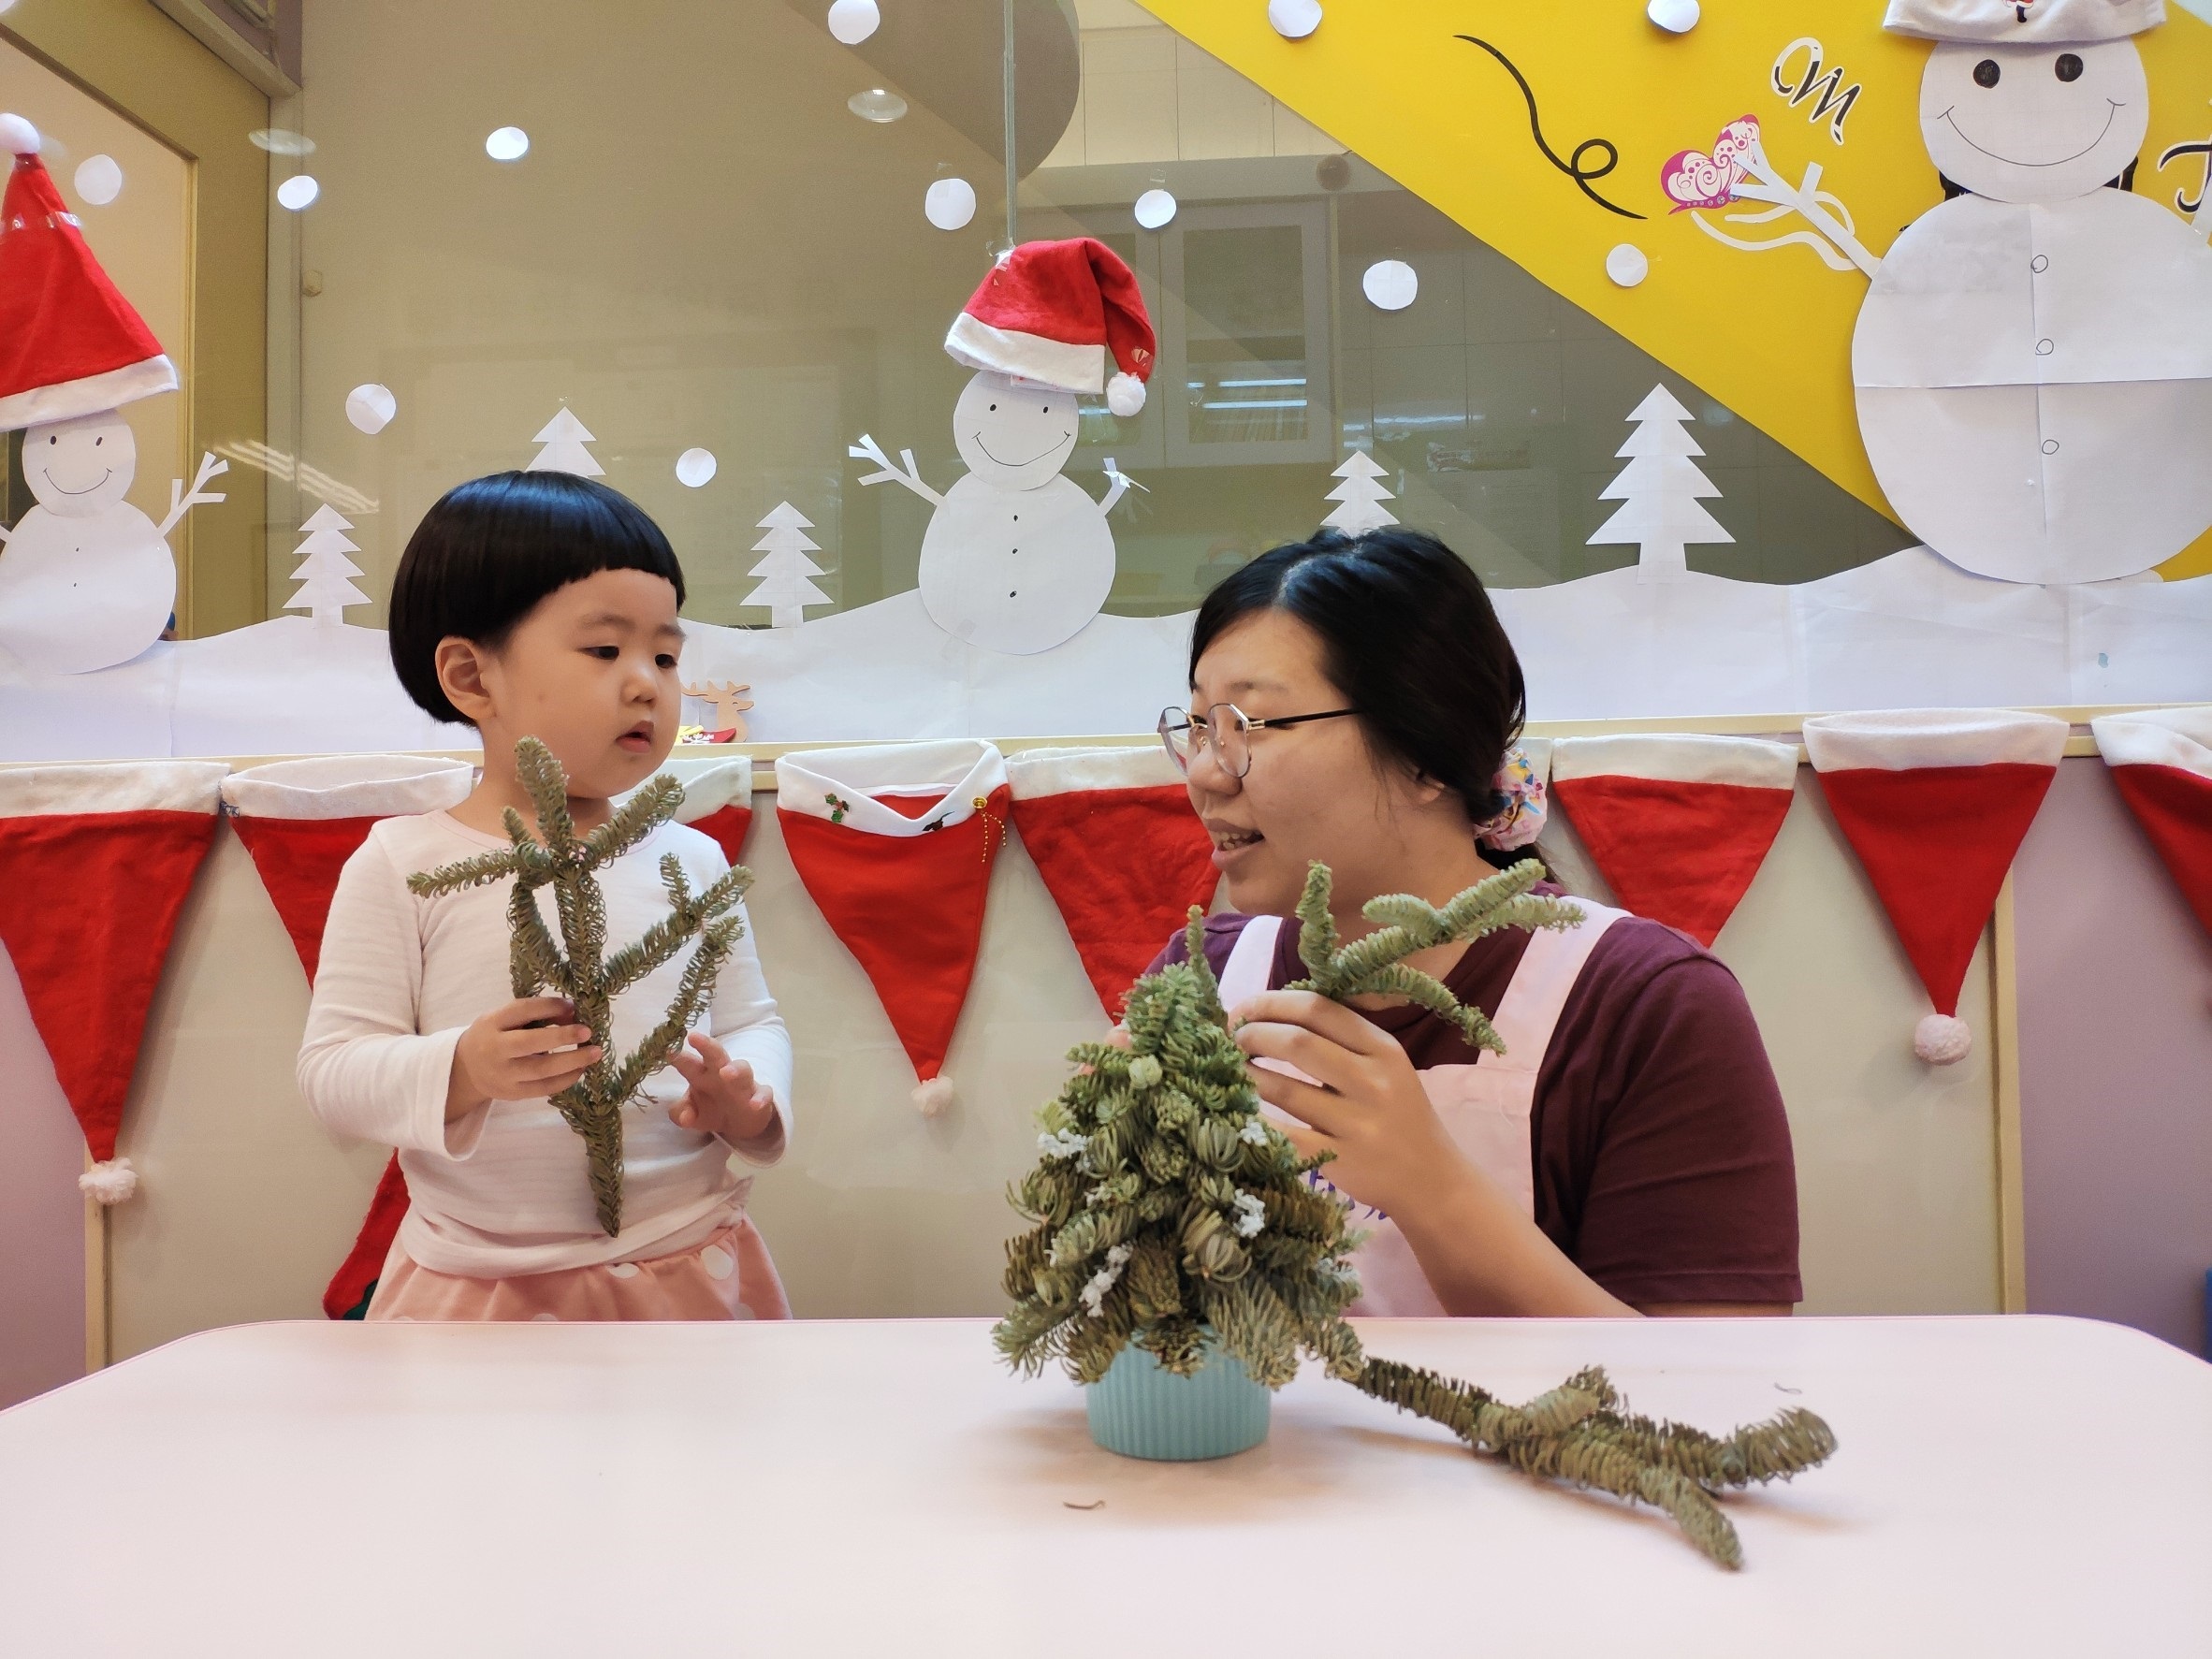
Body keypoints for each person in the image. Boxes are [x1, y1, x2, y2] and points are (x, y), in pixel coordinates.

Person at [1150, 526, 1800, 1318]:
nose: (1206, 773)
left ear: (1426, 750)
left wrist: (1430, 1187)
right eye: (1199, 727)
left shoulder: (1645, 1006)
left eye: (1251, 725)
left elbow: (1716, 1381)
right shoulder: (1200, 979)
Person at [298, 471, 793, 1321]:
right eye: (605, 650)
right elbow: (333, 1071)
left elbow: (754, 1020)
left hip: (687, 1269)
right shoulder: (403, 863)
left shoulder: (694, 859)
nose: (647, 684)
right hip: (479, 1286)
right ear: (471, 676)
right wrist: (462, 1068)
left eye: (666, 655)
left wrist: (751, 1104)